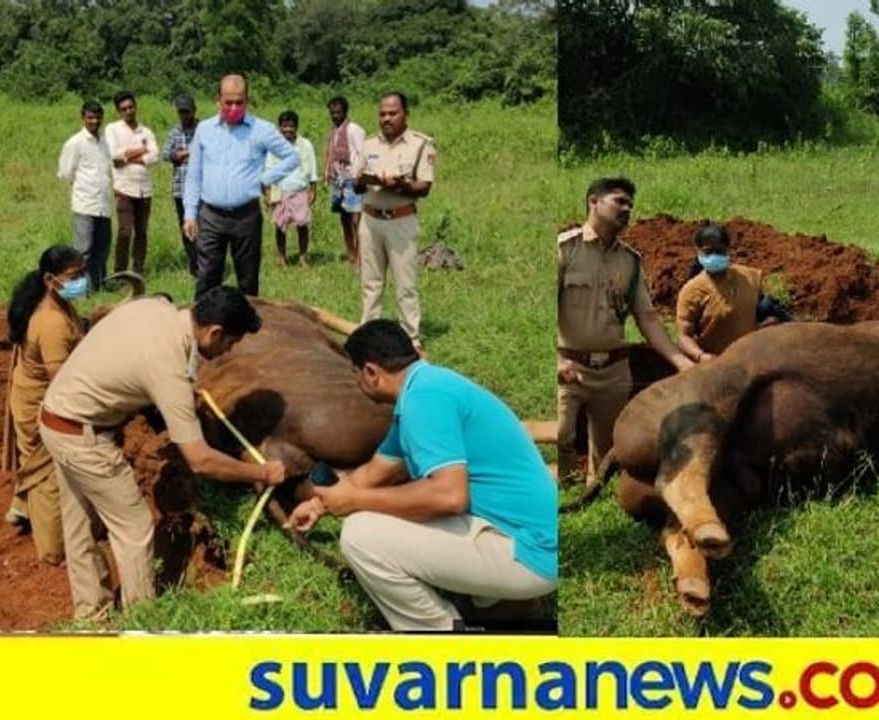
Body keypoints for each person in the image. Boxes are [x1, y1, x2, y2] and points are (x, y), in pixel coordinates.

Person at [287, 320, 557, 631]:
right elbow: (375, 473)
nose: (357, 384)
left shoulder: (423, 401)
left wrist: (355, 501)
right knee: (395, 509)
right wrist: (319, 504)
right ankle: (499, 605)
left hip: (532, 553)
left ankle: (441, 637)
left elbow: (449, 497)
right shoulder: (428, 387)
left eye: (356, 375)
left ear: (372, 373)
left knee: (360, 535)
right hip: (524, 534)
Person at [39, 286, 287, 619]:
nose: (228, 350)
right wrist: (263, 472)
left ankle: (90, 617)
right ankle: (142, 624)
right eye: (230, 342)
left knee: (79, 524)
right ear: (214, 332)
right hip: (82, 438)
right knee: (136, 529)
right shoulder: (168, 368)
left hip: (56, 416)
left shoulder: (155, 308)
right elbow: (199, 460)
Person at [556, 177, 694, 484]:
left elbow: (647, 318)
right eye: (619, 201)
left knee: (606, 452)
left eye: (630, 204)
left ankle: (594, 504)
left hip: (614, 371)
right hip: (569, 366)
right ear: (594, 201)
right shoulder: (565, 249)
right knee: (562, 437)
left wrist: (680, 361)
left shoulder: (630, 261)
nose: (627, 209)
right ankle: (562, 498)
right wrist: (556, 361)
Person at [2, 246, 88, 564]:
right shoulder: (51, 323)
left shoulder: (59, 305)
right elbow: (61, 383)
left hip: (32, 394)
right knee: (48, 473)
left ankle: (21, 509)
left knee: (34, 461)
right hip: (40, 403)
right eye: (74, 276)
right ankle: (52, 549)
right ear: (51, 280)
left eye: (82, 273)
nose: (82, 281)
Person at [182, 74, 299, 298]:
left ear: (247, 100)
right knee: (207, 278)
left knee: (248, 280)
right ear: (218, 100)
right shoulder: (205, 130)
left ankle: (246, 330)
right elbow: (194, 175)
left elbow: (291, 157)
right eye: (228, 102)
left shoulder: (261, 129)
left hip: (246, 216)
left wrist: (265, 178)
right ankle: (205, 328)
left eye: (239, 102)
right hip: (211, 216)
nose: (233, 107)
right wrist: (189, 213)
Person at [354, 92, 435, 350]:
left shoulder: (421, 144)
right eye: (383, 114)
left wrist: (399, 186)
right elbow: (357, 183)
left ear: (405, 114)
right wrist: (363, 180)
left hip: (400, 220)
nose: (387, 118)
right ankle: (369, 332)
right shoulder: (368, 144)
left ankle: (411, 337)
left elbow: (424, 187)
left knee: (405, 284)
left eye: (392, 113)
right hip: (370, 220)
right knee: (370, 282)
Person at [676, 223, 772, 362]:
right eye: (708, 252)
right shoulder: (692, 291)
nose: (714, 256)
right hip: (715, 365)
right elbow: (684, 337)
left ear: (728, 249)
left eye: (719, 251)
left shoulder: (751, 277)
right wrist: (702, 356)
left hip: (751, 359)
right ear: (698, 252)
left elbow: (763, 315)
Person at [57, 100, 112, 292]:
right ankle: (79, 290)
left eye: (97, 117)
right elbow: (65, 173)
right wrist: (81, 186)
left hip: (104, 204)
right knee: (83, 251)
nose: (94, 121)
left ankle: (99, 286)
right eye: (90, 117)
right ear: (82, 118)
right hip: (85, 205)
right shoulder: (75, 143)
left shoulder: (105, 142)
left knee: (102, 251)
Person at [104, 90, 159, 276]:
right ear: (119, 111)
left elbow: (154, 156)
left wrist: (128, 157)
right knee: (125, 232)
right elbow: (114, 155)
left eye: (130, 107)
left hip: (144, 189)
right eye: (124, 109)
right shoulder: (112, 129)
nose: (128, 111)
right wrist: (141, 150)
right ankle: (120, 272)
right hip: (123, 188)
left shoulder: (146, 131)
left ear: (136, 106)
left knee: (142, 232)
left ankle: (138, 270)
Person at [263, 110, 318, 267]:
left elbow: (312, 168)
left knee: (302, 225)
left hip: (300, 189)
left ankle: (303, 257)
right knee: (280, 226)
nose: (288, 129)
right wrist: (267, 192)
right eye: (284, 126)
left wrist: (313, 189)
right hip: (280, 190)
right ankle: (282, 257)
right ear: (279, 127)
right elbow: (268, 169)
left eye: (291, 126)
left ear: (296, 127)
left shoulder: (305, 145)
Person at [323, 96, 366, 266]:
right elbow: (331, 154)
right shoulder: (334, 131)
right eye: (332, 113)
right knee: (344, 218)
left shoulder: (354, 130)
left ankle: (361, 257)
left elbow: (363, 154)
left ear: (345, 112)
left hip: (352, 179)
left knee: (357, 219)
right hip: (338, 180)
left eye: (338, 112)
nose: (335, 116)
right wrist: (327, 171)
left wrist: (359, 177)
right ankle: (351, 254)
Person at [162, 94, 200, 276]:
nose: (184, 115)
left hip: (203, 189)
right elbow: (166, 154)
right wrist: (183, 155)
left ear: (194, 110)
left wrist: (185, 155)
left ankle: (206, 263)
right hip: (181, 189)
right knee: (186, 228)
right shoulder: (174, 132)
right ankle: (194, 265)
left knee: (205, 228)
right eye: (181, 112)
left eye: (187, 111)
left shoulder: (204, 129)